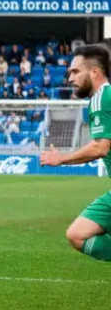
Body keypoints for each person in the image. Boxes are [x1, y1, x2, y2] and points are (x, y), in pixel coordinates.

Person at [40, 44, 111, 262]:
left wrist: (61, 158)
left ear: (94, 72)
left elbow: (100, 147)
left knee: (78, 234)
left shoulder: (101, 98)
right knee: (77, 234)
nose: (70, 78)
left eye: (75, 71)